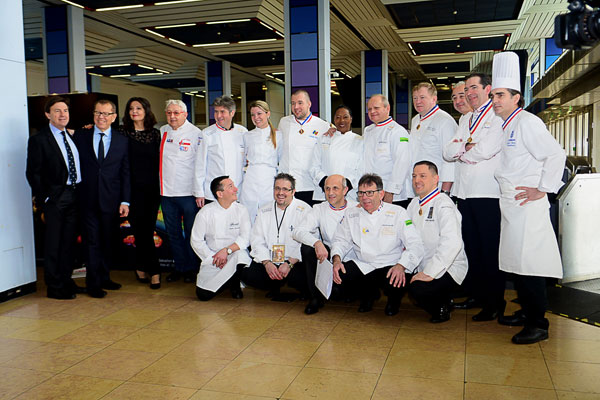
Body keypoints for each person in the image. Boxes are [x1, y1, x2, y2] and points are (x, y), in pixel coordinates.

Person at [491, 51, 566, 344]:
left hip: (528, 206)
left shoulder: (527, 122)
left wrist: (543, 188)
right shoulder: (507, 124)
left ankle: (538, 324)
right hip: (512, 206)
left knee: (530, 265)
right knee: (517, 264)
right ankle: (526, 312)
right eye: (493, 95)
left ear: (516, 98)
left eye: (500, 95)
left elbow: (555, 154)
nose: (495, 100)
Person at [443, 73, 505, 320]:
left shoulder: (496, 116)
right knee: (472, 248)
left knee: (490, 250)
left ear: (487, 89)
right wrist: (466, 148)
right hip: (464, 193)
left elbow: (486, 150)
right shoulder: (466, 118)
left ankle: (495, 303)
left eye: (473, 88)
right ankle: (477, 295)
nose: (469, 93)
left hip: (487, 193)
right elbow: (448, 152)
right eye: (466, 89)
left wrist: (464, 151)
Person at [330, 174, 424, 316]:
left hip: (390, 264)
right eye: (361, 193)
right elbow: (340, 240)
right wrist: (336, 259)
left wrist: (401, 266)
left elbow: (415, 244)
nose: (365, 197)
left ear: (381, 194)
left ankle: (394, 300)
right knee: (340, 273)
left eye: (370, 193)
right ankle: (368, 295)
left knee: (397, 278)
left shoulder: (398, 212)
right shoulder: (351, 213)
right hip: (364, 263)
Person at [26, 96, 82, 299]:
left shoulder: (72, 136)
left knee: (69, 243)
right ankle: (54, 286)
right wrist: (46, 198)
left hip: (75, 194)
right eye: (57, 111)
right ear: (48, 115)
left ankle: (66, 280)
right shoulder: (39, 140)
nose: (62, 114)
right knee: (53, 243)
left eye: (65, 110)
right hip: (56, 198)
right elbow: (33, 173)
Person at [73, 99, 130, 298]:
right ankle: (93, 283)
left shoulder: (122, 140)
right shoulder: (81, 135)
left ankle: (105, 277)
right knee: (92, 242)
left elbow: (125, 172)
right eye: (98, 113)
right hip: (86, 199)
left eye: (106, 114)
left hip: (111, 201)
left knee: (108, 241)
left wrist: (125, 201)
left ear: (114, 117)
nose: (101, 117)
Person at [406, 161, 468, 323]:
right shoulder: (413, 204)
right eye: (414, 176)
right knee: (394, 278)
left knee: (418, 289)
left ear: (435, 179)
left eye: (423, 176)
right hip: (422, 263)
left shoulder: (444, 204)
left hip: (447, 267)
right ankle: (442, 298)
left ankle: (441, 307)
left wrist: (430, 272)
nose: (417, 180)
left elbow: (452, 243)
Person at [240, 173, 313, 303]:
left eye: (285, 189)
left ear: (293, 191)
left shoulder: (305, 210)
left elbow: (308, 241)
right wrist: (267, 263)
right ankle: (275, 284)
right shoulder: (264, 210)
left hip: (294, 262)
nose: (280, 193)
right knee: (247, 275)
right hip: (271, 261)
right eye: (277, 188)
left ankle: (297, 287)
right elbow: (257, 240)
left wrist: (289, 263)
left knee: (303, 277)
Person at [292, 174, 358, 314]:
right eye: (327, 188)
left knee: (344, 294)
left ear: (345, 190)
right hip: (329, 258)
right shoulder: (319, 208)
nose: (330, 192)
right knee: (308, 248)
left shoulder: (357, 208)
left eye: (335, 188)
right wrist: (316, 243)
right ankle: (315, 298)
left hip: (351, 261)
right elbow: (297, 232)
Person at [159, 99, 202, 283]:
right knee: (173, 233)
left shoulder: (196, 134)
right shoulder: (163, 131)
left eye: (176, 113)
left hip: (188, 193)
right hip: (167, 193)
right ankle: (180, 267)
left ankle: (192, 268)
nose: (172, 116)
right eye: (169, 113)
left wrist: (199, 192)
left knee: (191, 233)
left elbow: (200, 165)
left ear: (185, 114)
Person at [121, 97, 161, 289]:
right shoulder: (122, 133)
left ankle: (142, 266)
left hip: (152, 190)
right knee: (139, 231)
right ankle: (154, 270)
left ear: (146, 110)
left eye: (138, 108)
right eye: (131, 108)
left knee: (147, 230)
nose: (134, 111)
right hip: (131, 191)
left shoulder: (156, 134)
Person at [191, 176, 250, 301]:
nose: (236, 189)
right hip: (213, 258)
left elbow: (245, 238)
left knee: (241, 256)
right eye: (231, 187)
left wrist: (226, 251)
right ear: (220, 194)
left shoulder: (241, 210)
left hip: (233, 254)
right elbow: (196, 241)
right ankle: (225, 282)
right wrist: (213, 258)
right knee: (203, 295)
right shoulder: (205, 212)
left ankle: (234, 284)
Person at [277, 90, 331, 205]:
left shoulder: (322, 125)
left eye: (300, 103)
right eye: (293, 103)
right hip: (288, 187)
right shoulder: (284, 122)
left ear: (309, 104)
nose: (296, 107)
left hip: (311, 186)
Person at [194, 95, 247, 208]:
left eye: (222, 112)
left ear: (232, 113)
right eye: (216, 112)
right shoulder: (206, 134)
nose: (218, 116)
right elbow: (199, 165)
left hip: (237, 191)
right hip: (214, 192)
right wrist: (199, 192)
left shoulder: (242, 132)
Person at [363, 94, 412, 208]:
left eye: (376, 108)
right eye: (369, 109)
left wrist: (391, 191)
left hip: (391, 195)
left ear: (387, 108)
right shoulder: (368, 131)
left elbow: (402, 162)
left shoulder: (398, 131)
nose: (372, 112)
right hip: (371, 193)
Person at [239, 100, 282, 222]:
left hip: (270, 180)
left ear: (268, 114)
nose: (256, 117)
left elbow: (282, 160)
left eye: (259, 113)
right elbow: (243, 160)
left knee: (269, 216)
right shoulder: (247, 136)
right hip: (250, 180)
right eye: (253, 115)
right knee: (248, 216)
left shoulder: (279, 136)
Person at [309, 105, 363, 201]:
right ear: (334, 120)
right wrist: (326, 184)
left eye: (345, 117)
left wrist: (345, 186)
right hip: (325, 193)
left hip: (349, 195)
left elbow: (361, 169)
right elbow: (314, 166)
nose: (341, 120)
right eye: (338, 117)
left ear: (351, 119)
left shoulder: (360, 141)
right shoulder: (324, 139)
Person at [410, 82, 456, 194]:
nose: (418, 101)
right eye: (415, 98)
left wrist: (445, 191)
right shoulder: (415, 120)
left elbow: (450, 159)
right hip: (419, 184)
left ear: (433, 99)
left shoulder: (445, 120)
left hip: (437, 186)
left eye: (422, 97)